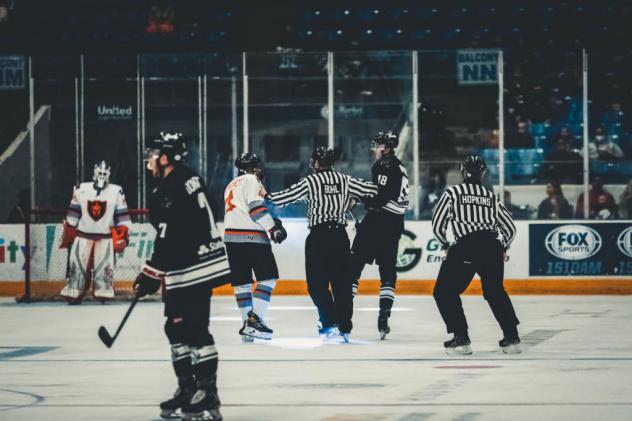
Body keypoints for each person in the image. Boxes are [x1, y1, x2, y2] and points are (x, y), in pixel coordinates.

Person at [134, 132, 230, 421]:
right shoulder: (191, 178)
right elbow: (208, 212)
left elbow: (168, 236)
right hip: (194, 263)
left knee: (194, 329)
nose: (148, 160)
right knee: (176, 328)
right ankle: (188, 389)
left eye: (152, 155)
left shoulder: (167, 189)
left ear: (164, 158)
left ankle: (206, 391)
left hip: (192, 268)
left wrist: (151, 274)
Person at [267, 147, 377, 343]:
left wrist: (263, 196)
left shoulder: (310, 181)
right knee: (342, 284)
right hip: (339, 237)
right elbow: (372, 190)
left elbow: (285, 197)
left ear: (316, 163)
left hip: (318, 238)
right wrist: (354, 200)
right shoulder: (346, 180)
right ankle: (344, 325)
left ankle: (328, 321)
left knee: (316, 285)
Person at [431, 154, 520, 355]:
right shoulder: (491, 197)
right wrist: (503, 247)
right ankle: (512, 337)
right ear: (483, 173)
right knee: (495, 291)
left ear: (463, 172)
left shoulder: (453, 193)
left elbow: (438, 225)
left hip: (467, 245)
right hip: (492, 246)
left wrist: (445, 244)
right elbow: (511, 228)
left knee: (444, 291)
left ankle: (461, 337)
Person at [350, 131, 409, 340]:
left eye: (379, 145)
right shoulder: (399, 166)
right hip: (394, 225)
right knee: (388, 274)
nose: (375, 148)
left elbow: (382, 196)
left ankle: (343, 313)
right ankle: (384, 317)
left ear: (387, 147)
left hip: (377, 221)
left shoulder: (384, 165)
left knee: (354, 266)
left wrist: (362, 200)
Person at [223, 152, 287, 342]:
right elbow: (255, 208)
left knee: (242, 283)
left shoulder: (230, 185)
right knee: (268, 278)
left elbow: (243, 209)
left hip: (231, 238)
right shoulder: (252, 180)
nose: (260, 169)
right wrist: (273, 228)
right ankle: (255, 321)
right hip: (252, 237)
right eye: (258, 165)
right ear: (253, 167)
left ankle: (247, 326)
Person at [59, 161, 131, 304]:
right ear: (94, 172)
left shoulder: (117, 191)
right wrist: (69, 228)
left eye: (105, 173)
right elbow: (73, 214)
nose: (102, 176)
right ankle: (74, 291)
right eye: (100, 173)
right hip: (82, 235)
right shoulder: (81, 189)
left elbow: (122, 216)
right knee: (77, 266)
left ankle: (103, 292)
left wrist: (123, 232)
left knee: (104, 267)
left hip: (106, 237)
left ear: (109, 174)